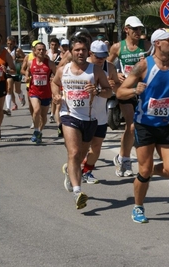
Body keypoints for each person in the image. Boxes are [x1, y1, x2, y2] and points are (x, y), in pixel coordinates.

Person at [116, 28, 169, 223]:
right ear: (158, 43)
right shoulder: (143, 66)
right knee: (144, 172)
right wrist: (134, 91)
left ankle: (148, 170)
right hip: (144, 125)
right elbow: (120, 93)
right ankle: (138, 207)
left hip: (166, 125)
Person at [51, 35, 112, 209]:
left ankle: (70, 174)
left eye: (83, 50)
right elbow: (54, 83)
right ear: (71, 51)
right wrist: (56, 95)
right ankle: (78, 192)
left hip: (90, 118)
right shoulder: (64, 70)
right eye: (77, 49)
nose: (80, 52)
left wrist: (98, 90)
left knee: (80, 156)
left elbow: (109, 91)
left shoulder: (96, 71)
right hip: (69, 115)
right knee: (74, 152)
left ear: (88, 52)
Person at [107, 16, 151, 177]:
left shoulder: (146, 46)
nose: (138, 32)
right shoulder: (118, 47)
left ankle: (121, 157)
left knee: (140, 125)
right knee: (131, 125)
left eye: (139, 29)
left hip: (143, 90)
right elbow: (107, 65)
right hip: (125, 90)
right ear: (126, 29)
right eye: (134, 29)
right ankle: (125, 159)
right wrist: (116, 74)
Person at [81, 40, 121, 184]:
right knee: (82, 146)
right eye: (98, 56)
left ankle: (86, 171)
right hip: (82, 113)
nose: (101, 60)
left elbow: (116, 87)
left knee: (96, 146)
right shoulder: (82, 65)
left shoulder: (109, 67)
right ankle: (76, 167)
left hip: (100, 113)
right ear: (90, 53)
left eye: (104, 56)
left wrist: (113, 85)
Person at [25, 42, 57, 144]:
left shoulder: (50, 63)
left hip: (46, 92)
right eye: (39, 49)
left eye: (43, 49)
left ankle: (40, 131)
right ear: (35, 51)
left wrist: (54, 80)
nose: (41, 51)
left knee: (43, 116)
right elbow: (27, 71)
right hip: (34, 91)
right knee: (36, 110)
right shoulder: (31, 62)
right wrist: (26, 77)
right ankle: (36, 131)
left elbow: (57, 76)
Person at [21, 40, 40, 129]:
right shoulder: (28, 57)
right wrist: (27, 75)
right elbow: (22, 70)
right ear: (33, 48)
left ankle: (40, 120)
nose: (39, 50)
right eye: (36, 48)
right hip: (31, 85)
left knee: (42, 106)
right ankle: (34, 120)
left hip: (43, 86)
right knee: (31, 104)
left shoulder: (45, 57)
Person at [5, 36, 26, 114]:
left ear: (14, 43)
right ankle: (8, 108)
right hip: (8, 71)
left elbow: (25, 59)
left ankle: (21, 96)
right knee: (9, 88)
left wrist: (17, 59)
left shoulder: (18, 50)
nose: (9, 45)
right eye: (8, 44)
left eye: (11, 44)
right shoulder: (5, 51)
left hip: (17, 71)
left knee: (17, 90)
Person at [47, 37, 62, 124]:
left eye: (55, 45)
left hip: (55, 78)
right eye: (52, 44)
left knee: (54, 96)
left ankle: (52, 114)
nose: (54, 46)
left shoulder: (60, 55)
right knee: (49, 96)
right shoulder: (46, 53)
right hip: (47, 78)